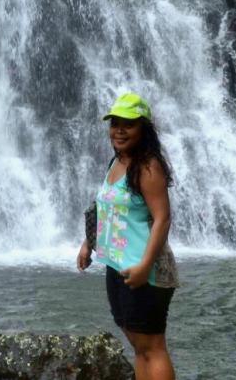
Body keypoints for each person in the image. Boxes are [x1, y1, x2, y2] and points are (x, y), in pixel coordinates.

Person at [76, 92, 179, 380]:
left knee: (152, 346)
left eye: (128, 124)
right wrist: (88, 244)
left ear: (143, 128)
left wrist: (145, 266)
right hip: (117, 265)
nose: (119, 130)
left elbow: (163, 218)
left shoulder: (147, 166)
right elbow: (105, 207)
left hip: (145, 269)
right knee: (138, 344)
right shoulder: (116, 161)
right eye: (115, 123)